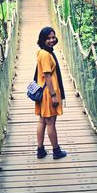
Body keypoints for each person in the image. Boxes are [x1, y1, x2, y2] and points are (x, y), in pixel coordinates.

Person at [35, 26, 67, 159]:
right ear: (42, 39)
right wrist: (54, 96)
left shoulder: (43, 52)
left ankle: (40, 150)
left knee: (42, 121)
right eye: (48, 38)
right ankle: (56, 151)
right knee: (50, 123)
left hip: (44, 92)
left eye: (53, 37)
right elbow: (47, 76)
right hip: (49, 93)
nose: (51, 40)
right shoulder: (46, 55)